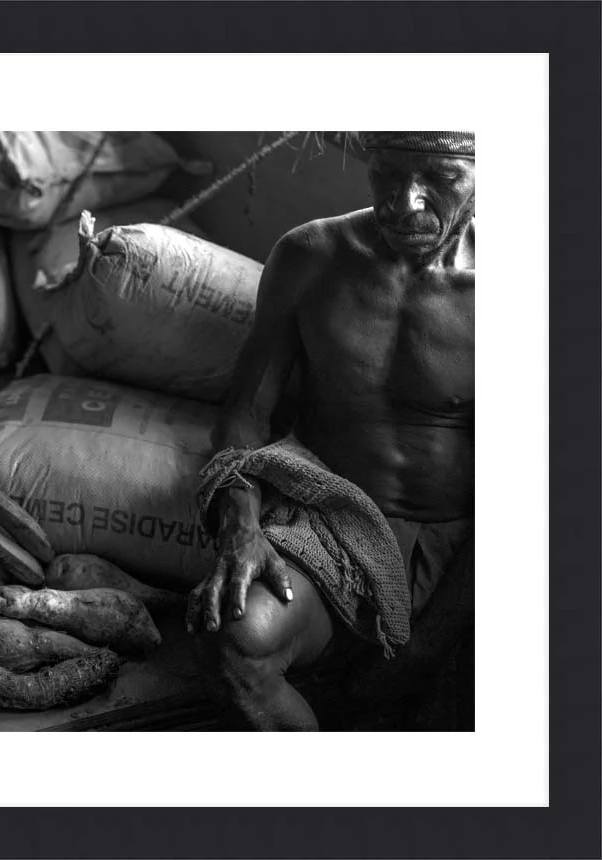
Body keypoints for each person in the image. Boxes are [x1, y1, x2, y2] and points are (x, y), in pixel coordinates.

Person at [187, 132, 476, 731]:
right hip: (336, 525)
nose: (407, 203)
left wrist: (439, 635)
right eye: (387, 175)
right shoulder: (310, 256)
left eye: (442, 180)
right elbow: (246, 411)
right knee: (236, 643)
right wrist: (240, 529)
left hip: (469, 544)